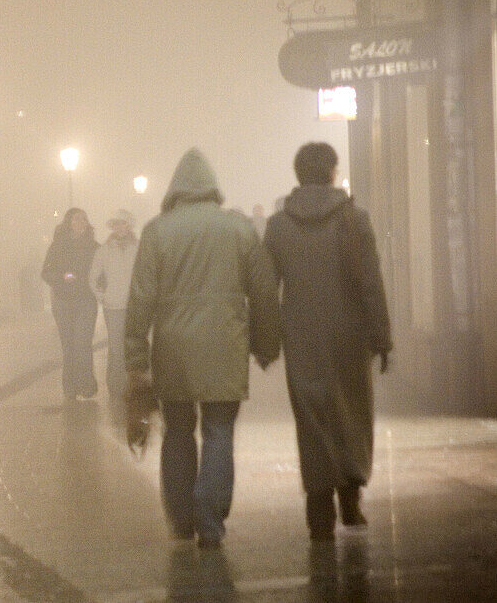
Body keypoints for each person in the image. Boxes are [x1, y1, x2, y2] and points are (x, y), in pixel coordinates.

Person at [125, 148, 280, 548]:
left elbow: (140, 299)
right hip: (224, 344)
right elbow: (263, 291)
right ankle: (211, 519)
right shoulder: (239, 229)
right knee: (218, 431)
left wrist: (136, 360)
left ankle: (180, 518)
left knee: (177, 431)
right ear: (213, 187)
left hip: (173, 349)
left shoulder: (157, 231)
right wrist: (265, 344)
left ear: (174, 189)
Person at [262, 142, 392, 542]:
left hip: (301, 332)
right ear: (332, 172)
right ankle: (350, 498)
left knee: (312, 415)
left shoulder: (278, 225)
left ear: (298, 174)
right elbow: (370, 282)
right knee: (351, 411)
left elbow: (268, 288)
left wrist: (266, 340)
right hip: (350, 334)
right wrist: (382, 336)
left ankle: (319, 509)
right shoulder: (354, 219)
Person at [42, 208, 100, 401]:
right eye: (77, 219)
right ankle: (70, 387)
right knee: (68, 345)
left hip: (86, 300)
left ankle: (86, 384)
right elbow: (46, 272)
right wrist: (61, 277)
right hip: (63, 301)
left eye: (84, 219)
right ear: (69, 222)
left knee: (83, 343)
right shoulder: (58, 246)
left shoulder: (94, 247)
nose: (81, 222)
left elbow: (102, 273)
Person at [88, 208, 138, 404]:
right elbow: (93, 277)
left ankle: (132, 384)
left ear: (129, 226)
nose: (120, 228)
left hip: (134, 306)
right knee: (116, 346)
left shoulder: (139, 247)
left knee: (132, 346)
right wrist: (104, 296)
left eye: (123, 223)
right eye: (116, 224)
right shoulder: (104, 250)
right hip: (114, 306)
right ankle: (117, 386)